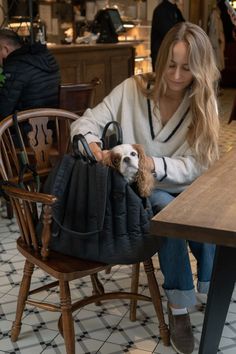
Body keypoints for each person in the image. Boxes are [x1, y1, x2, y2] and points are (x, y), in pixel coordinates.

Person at [70, 21, 220, 354]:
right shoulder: (131, 90)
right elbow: (84, 123)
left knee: (204, 219)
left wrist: (155, 164)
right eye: (171, 65)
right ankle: (180, 309)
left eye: (187, 68)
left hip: (181, 186)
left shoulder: (201, 104)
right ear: (161, 58)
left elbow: (198, 164)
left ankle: (210, 290)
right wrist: (95, 149)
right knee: (169, 214)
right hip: (138, 192)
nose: (178, 75)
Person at [0, 28, 60, 121]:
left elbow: (3, 110)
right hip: (55, 125)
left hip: (25, 130)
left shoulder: (15, 66)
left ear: (5, 49)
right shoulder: (46, 58)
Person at [151, 0, 185, 70]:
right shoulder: (161, 10)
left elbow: (184, 28)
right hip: (162, 56)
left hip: (172, 56)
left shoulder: (176, 10)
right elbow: (170, 33)